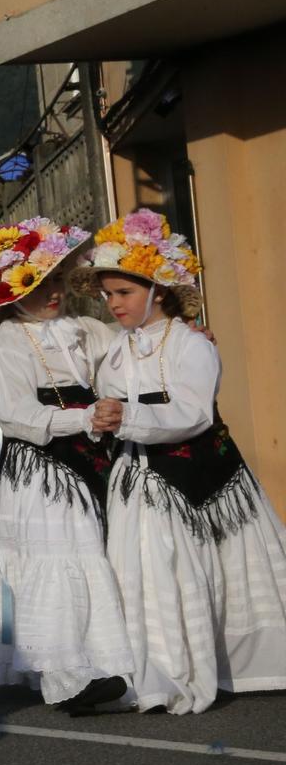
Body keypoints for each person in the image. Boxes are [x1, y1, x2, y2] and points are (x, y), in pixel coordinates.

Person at [90, 210, 286, 714]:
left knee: (217, 567)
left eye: (124, 293)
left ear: (159, 290)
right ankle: (156, 671)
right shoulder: (114, 349)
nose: (114, 304)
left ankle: (234, 665)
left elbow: (194, 413)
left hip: (205, 476)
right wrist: (105, 415)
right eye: (108, 294)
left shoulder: (192, 344)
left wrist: (125, 415)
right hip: (140, 480)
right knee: (148, 571)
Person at [0, 218, 134, 713]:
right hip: (40, 472)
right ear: (13, 294)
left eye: (57, 280)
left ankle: (108, 665)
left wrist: (178, 334)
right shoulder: (10, 345)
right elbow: (17, 417)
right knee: (58, 559)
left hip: (90, 459)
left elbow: (129, 359)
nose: (53, 293)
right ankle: (66, 680)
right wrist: (83, 417)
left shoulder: (86, 331)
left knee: (95, 556)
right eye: (39, 285)